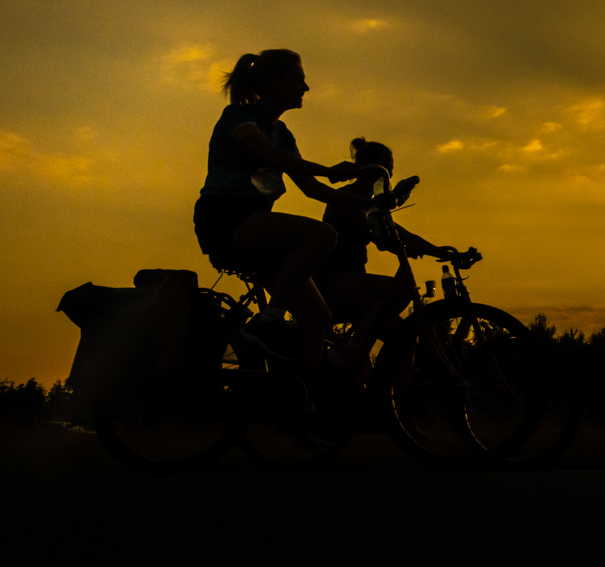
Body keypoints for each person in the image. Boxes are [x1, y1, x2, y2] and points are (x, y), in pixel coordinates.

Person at [191, 49, 383, 377]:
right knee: (323, 234)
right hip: (226, 219)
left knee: (318, 318)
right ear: (270, 82)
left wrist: (368, 204)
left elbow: (312, 189)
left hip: (256, 224)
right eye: (298, 79)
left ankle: (306, 403)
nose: (305, 88)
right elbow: (268, 155)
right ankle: (267, 323)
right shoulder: (237, 117)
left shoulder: (283, 134)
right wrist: (327, 169)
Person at [312, 137, 456, 380]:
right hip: (329, 282)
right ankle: (349, 350)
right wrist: (392, 241)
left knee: (404, 336)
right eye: (388, 168)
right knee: (398, 291)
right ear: (373, 168)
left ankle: (397, 408)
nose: (390, 174)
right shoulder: (345, 197)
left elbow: (399, 232)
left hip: (354, 284)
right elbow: (375, 228)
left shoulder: (373, 205)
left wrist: (437, 250)